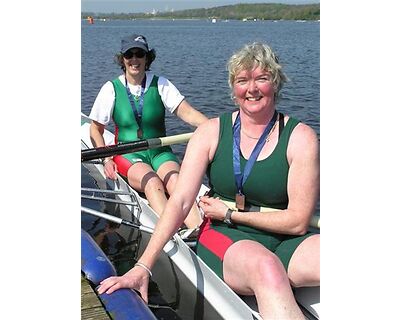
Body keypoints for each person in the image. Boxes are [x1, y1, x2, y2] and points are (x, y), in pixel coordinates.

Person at [97, 42, 320, 319]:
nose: (251, 89)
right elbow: (179, 202)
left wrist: (232, 213)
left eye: (261, 78)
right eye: (242, 80)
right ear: (233, 88)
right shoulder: (211, 133)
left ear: (275, 82)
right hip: (224, 234)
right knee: (268, 269)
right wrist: (143, 266)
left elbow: (298, 221)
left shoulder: (301, 137)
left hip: (283, 236)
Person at [89, 34, 207, 230]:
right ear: (122, 59)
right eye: (129, 55)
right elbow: (95, 129)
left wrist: (215, 127)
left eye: (140, 54)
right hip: (129, 153)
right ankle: (172, 233)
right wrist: (106, 159)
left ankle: (199, 232)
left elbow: (187, 113)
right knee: (152, 182)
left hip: (160, 151)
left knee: (177, 181)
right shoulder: (111, 89)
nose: (134, 60)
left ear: (147, 58)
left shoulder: (161, 84)